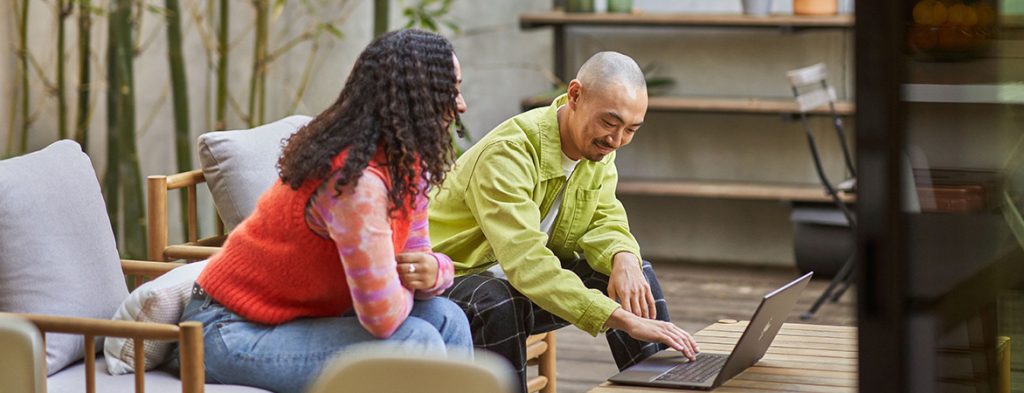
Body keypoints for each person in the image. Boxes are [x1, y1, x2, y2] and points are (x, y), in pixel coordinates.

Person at [180, 29, 472, 393]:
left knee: (449, 319)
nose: (460, 104)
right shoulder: (355, 182)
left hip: (300, 320)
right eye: (450, 89)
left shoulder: (407, 164)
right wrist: (407, 275)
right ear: (412, 97)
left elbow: (418, 262)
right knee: (414, 340)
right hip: (227, 331)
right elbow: (382, 318)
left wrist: (437, 271)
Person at [428, 51, 700, 392]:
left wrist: (624, 257)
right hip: (450, 281)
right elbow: (527, 263)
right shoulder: (508, 153)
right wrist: (620, 318)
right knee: (497, 300)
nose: (616, 140)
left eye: (631, 129)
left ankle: (665, 386)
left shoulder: (599, 147)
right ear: (575, 96)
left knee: (633, 272)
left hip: (519, 287)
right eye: (609, 123)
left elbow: (604, 215)